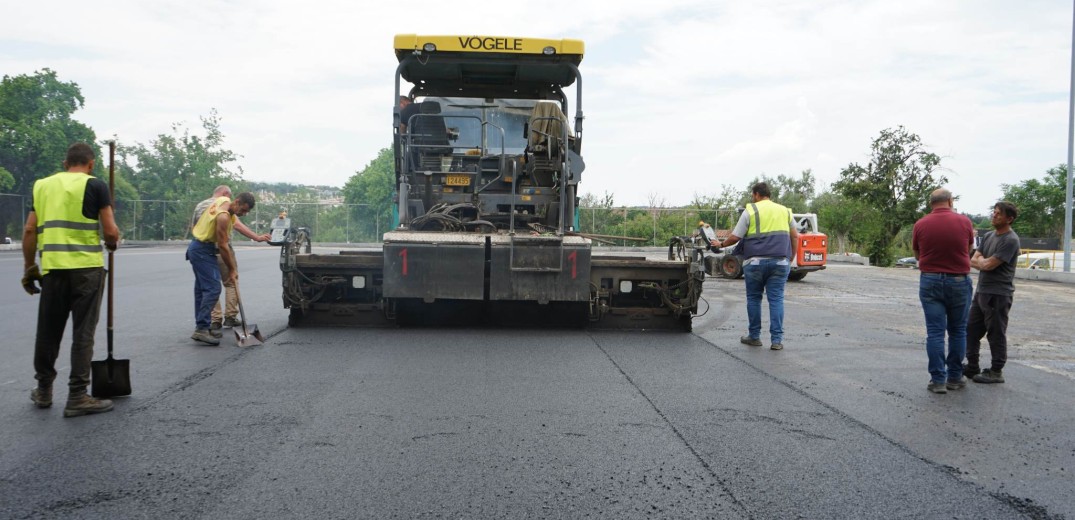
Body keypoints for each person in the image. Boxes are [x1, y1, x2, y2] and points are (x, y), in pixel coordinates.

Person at [21, 142, 120, 417]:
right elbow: (110, 231)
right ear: (91, 164)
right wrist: (112, 243)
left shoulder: (41, 186)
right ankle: (77, 396)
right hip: (87, 270)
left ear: (65, 163)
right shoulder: (95, 185)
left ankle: (43, 391)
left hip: (53, 271)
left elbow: (30, 230)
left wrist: (30, 267)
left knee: (48, 332)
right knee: (83, 333)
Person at [712, 182, 798, 351]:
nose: (753, 198)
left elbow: (736, 237)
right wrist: (790, 258)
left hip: (755, 263)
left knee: (754, 298)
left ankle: (754, 336)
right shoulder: (785, 211)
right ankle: (776, 341)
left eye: (753, 195)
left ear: (757, 194)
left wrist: (720, 244)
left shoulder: (750, 210)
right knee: (776, 300)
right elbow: (795, 236)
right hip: (780, 262)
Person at [911, 188, 975, 394]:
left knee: (935, 333)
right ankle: (955, 377)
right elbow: (968, 249)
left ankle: (938, 380)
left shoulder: (920, 224)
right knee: (958, 331)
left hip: (930, 280)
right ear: (950, 200)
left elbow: (917, 254)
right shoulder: (964, 222)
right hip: (958, 281)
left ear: (931, 203)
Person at [191, 186, 270, 333]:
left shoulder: (218, 202)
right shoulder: (223, 215)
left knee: (203, 289)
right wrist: (232, 268)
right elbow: (223, 245)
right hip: (207, 249)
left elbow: (193, 226)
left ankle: (211, 322)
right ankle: (213, 323)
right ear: (235, 200)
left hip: (199, 246)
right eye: (243, 210)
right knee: (217, 287)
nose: (244, 214)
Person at [966, 201, 1020, 384]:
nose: (994, 215)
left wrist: (982, 262)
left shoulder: (1010, 240)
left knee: (996, 333)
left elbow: (988, 265)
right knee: (971, 329)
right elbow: (973, 259)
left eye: (998, 214)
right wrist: (982, 262)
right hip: (982, 291)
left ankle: (996, 371)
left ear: (1009, 219)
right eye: (994, 212)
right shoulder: (989, 236)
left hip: (998, 294)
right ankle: (972, 366)